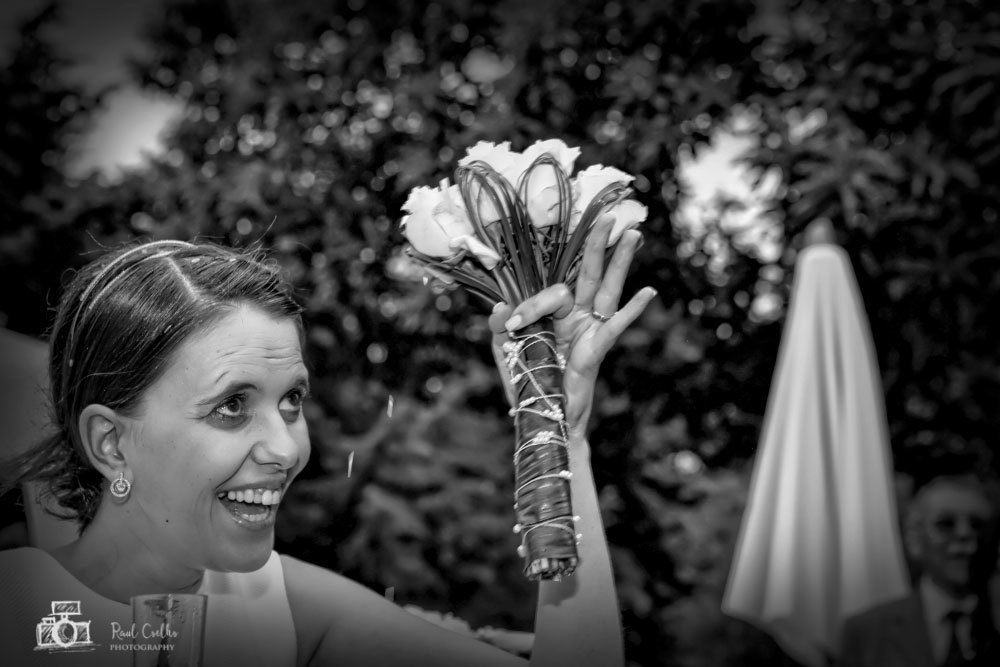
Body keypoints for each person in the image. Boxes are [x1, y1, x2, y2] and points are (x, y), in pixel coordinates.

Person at [0, 214, 656, 666]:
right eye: (231, 406)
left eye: (291, 400)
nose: (286, 450)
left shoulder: (281, 608)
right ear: (111, 444)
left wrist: (557, 431)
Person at [837, 472, 1000, 667]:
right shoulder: (868, 631)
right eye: (945, 524)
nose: (964, 534)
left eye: (978, 525)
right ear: (914, 539)